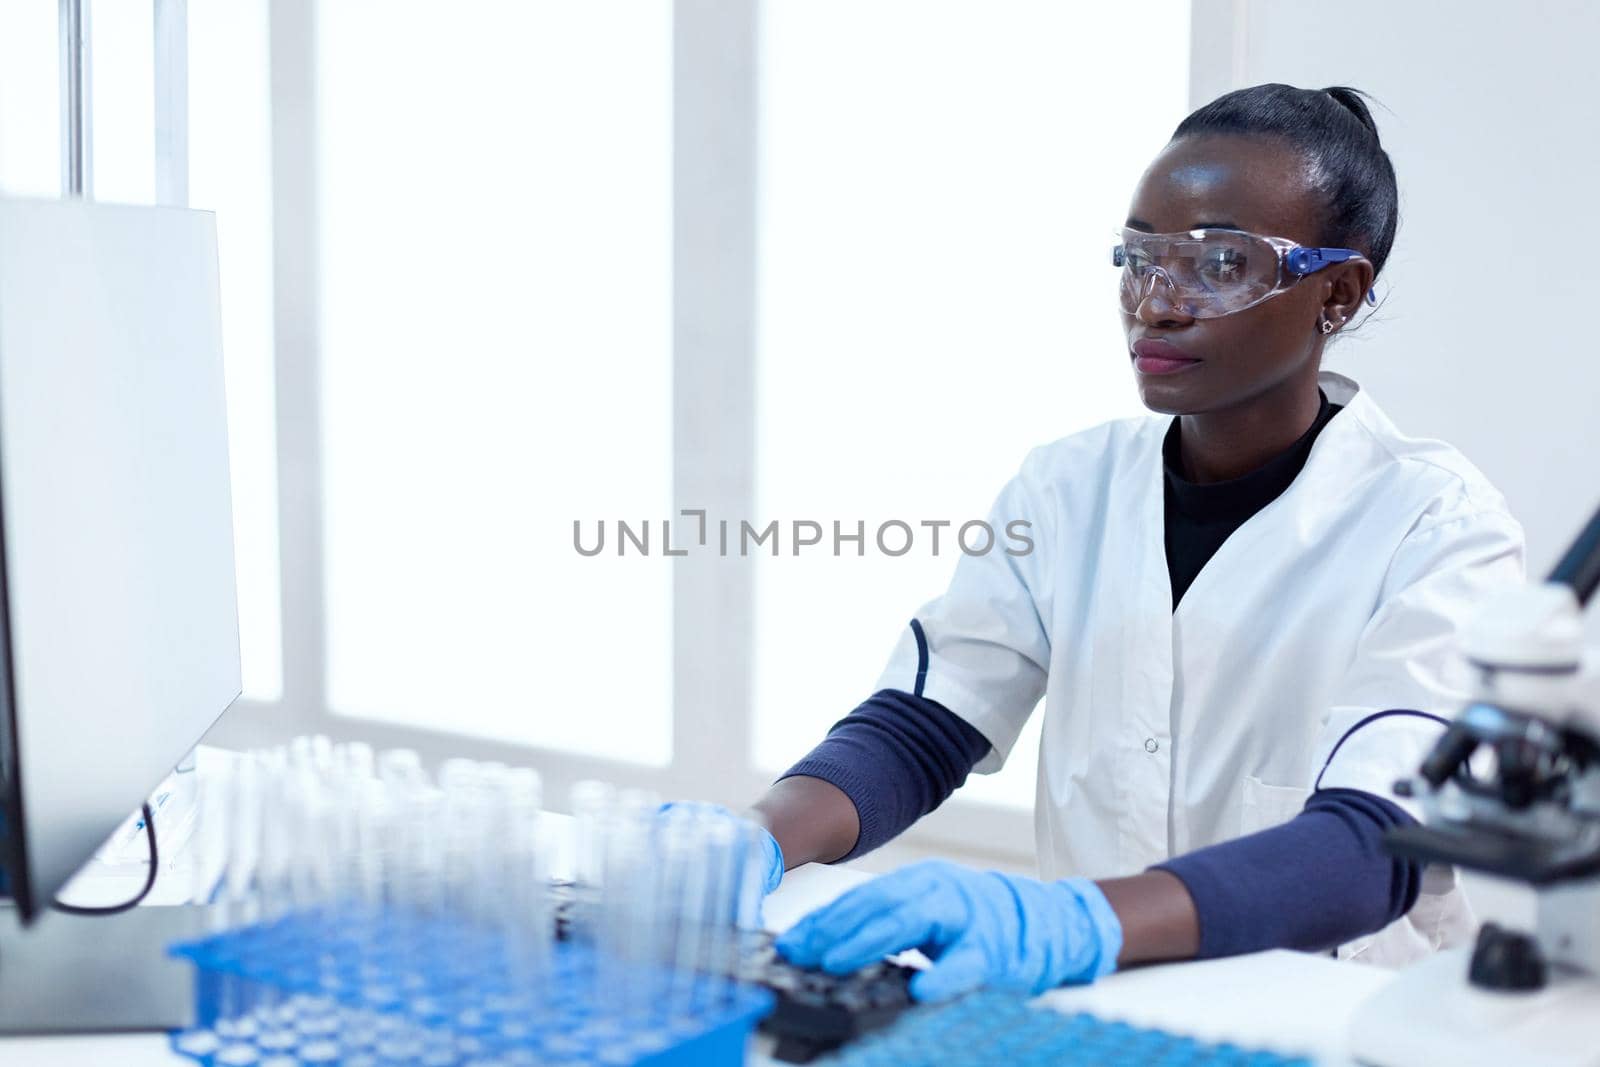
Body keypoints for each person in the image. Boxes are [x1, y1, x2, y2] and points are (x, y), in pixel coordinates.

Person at [724, 84, 1526, 1003]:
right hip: (1097, 1006)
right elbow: (924, 725)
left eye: (1221, 262)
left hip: (1330, 1022)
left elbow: (1374, 843)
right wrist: (751, 838)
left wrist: (1074, 921)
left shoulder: (1441, 530)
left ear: (1337, 292)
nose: (1157, 302)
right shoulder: (1069, 486)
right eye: (1141, 258)